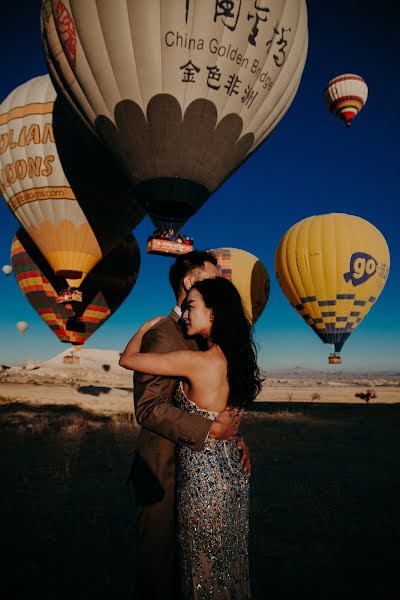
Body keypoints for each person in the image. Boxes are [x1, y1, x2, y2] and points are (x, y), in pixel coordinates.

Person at [120, 276, 262, 599]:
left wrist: (144, 328)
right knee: (229, 567)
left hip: (202, 484)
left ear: (213, 313)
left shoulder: (197, 362)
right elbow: (229, 419)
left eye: (191, 307)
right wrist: (238, 440)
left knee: (202, 572)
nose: (184, 314)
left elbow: (127, 359)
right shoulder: (234, 361)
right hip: (233, 478)